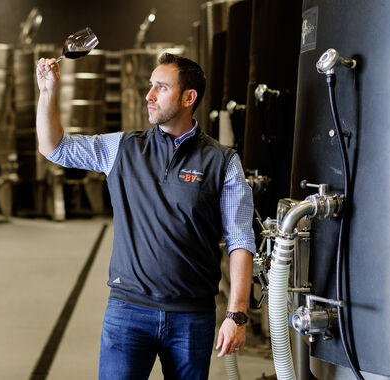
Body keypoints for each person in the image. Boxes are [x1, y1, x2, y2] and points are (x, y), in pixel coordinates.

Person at [35, 53, 255, 380]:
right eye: (150, 86)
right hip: (128, 312)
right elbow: (54, 147)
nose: (149, 96)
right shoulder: (122, 149)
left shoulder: (222, 162)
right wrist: (48, 92)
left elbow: (240, 240)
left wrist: (236, 314)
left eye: (161, 87)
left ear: (188, 97)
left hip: (191, 316)